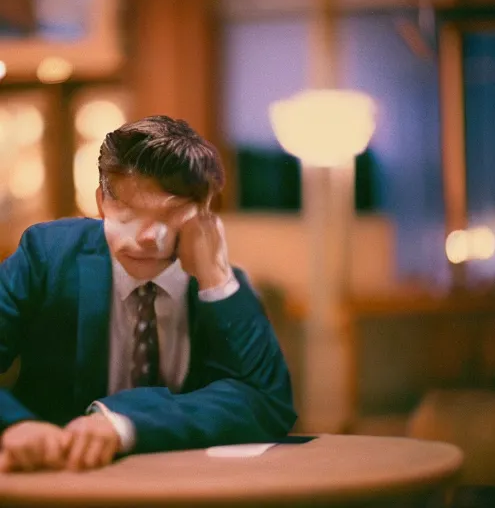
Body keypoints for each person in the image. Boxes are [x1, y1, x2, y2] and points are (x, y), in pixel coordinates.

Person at [0, 116, 296, 472]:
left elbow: (268, 402)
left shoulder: (220, 283)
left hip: (186, 486)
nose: (146, 237)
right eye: (127, 212)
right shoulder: (49, 255)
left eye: (170, 215)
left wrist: (125, 422)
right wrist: (16, 423)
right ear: (101, 202)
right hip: (58, 478)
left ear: (204, 212)